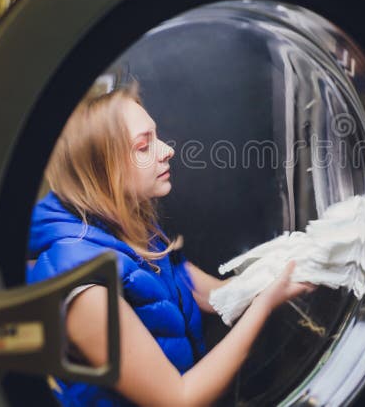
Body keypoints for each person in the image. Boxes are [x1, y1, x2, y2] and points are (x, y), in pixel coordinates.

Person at [27, 80, 312, 406]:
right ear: (100, 168)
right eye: (143, 146)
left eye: (156, 137)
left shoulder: (129, 229)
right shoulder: (83, 284)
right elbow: (178, 399)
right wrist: (264, 305)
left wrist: (289, 268)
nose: (167, 150)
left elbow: (213, 295)